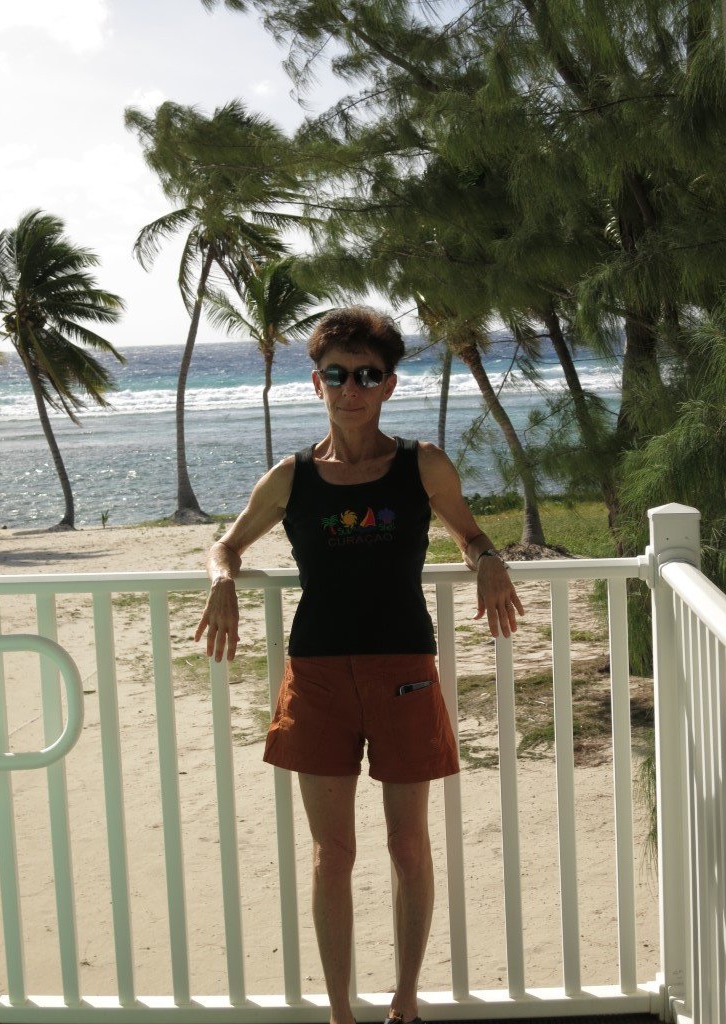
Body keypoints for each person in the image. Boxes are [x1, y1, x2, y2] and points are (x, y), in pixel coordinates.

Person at [195, 307, 524, 1024]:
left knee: (407, 845)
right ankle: (341, 1013)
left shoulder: (421, 464)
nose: (352, 389)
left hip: (404, 668)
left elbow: (469, 535)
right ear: (317, 383)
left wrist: (490, 561)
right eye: (338, 374)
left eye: (368, 375)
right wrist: (222, 581)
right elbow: (227, 545)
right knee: (332, 853)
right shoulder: (292, 477)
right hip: (316, 675)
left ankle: (405, 1003)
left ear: (388, 385)